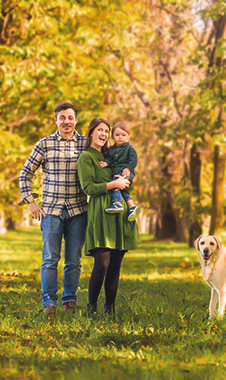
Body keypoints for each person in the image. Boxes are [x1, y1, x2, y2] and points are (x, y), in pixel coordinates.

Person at [19, 102, 88, 315]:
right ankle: (49, 301)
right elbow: (25, 174)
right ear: (55, 120)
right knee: (50, 258)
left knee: (74, 260)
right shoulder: (44, 144)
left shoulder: (86, 144)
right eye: (62, 117)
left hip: (78, 211)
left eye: (70, 117)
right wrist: (30, 201)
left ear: (76, 120)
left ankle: (69, 300)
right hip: (51, 211)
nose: (66, 121)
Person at [76, 118, 140, 315]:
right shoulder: (86, 157)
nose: (104, 134)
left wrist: (127, 178)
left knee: (115, 264)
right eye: (100, 130)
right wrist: (114, 185)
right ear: (91, 133)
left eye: (106, 130)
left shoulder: (113, 154)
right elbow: (88, 187)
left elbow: (128, 179)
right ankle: (91, 308)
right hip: (101, 212)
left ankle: (110, 308)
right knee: (101, 264)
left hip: (119, 213)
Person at [98, 123, 139, 221]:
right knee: (122, 190)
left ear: (128, 137)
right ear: (112, 137)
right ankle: (132, 206)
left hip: (126, 173)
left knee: (115, 184)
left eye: (123, 135)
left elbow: (134, 159)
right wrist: (106, 163)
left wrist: (128, 168)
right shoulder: (112, 149)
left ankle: (117, 203)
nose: (120, 137)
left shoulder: (129, 149)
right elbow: (109, 159)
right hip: (117, 172)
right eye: (117, 135)